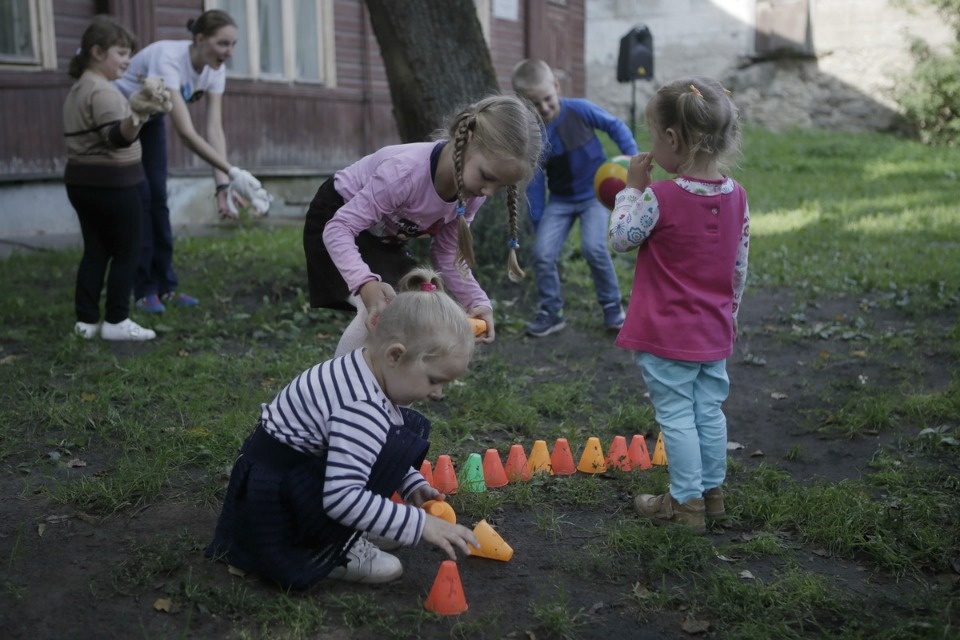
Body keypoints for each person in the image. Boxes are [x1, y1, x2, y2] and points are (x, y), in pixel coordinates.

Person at [205, 279, 479, 588]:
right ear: (394, 355)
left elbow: (373, 448)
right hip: (277, 503)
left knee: (399, 434)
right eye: (433, 380)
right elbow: (342, 497)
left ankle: (355, 526)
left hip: (286, 471)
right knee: (375, 465)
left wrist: (409, 481)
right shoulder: (361, 408)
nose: (438, 393)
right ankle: (330, 547)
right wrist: (419, 523)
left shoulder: (362, 367)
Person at [608, 77, 750, 534]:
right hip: (713, 330)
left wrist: (630, 189)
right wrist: (731, 314)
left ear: (672, 139)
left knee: (676, 417)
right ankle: (713, 495)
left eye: (654, 137)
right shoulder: (738, 196)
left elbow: (620, 239)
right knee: (709, 411)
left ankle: (684, 503)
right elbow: (739, 267)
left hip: (665, 334)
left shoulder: (660, 196)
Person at [303, 93, 543, 356]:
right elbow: (338, 229)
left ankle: (392, 389)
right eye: (487, 176)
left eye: (500, 186)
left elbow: (447, 253)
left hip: (382, 240)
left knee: (414, 306)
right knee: (379, 309)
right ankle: (340, 390)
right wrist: (366, 284)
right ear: (469, 140)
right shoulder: (404, 173)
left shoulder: (472, 193)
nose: (488, 191)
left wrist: (476, 301)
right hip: (336, 220)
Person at [115, 9, 270, 315]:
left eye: (233, 44)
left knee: (159, 199)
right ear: (200, 39)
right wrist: (234, 171)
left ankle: (167, 287)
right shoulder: (168, 58)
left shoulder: (215, 69)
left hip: (151, 116)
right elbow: (186, 133)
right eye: (223, 43)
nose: (230, 52)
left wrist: (223, 185)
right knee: (143, 200)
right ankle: (145, 289)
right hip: (121, 116)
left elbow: (214, 129)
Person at [510, 59, 638, 337]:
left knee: (594, 249)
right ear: (523, 104)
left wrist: (632, 158)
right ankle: (551, 311)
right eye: (535, 104)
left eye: (547, 99)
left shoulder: (579, 109)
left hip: (595, 195)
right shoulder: (533, 135)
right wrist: (537, 218)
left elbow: (614, 125)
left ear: (556, 87)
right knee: (542, 254)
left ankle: (613, 309)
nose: (544, 108)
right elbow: (534, 180)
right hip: (560, 201)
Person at [63, 16, 172, 341]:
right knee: (128, 250)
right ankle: (116, 320)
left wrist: (137, 112)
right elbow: (118, 138)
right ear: (97, 52)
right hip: (115, 185)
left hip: (81, 182)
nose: (127, 60)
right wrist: (138, 114)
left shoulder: (77, 89)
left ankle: (85, 320)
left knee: (95, 250)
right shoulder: (103, 91)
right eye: (121, 53)